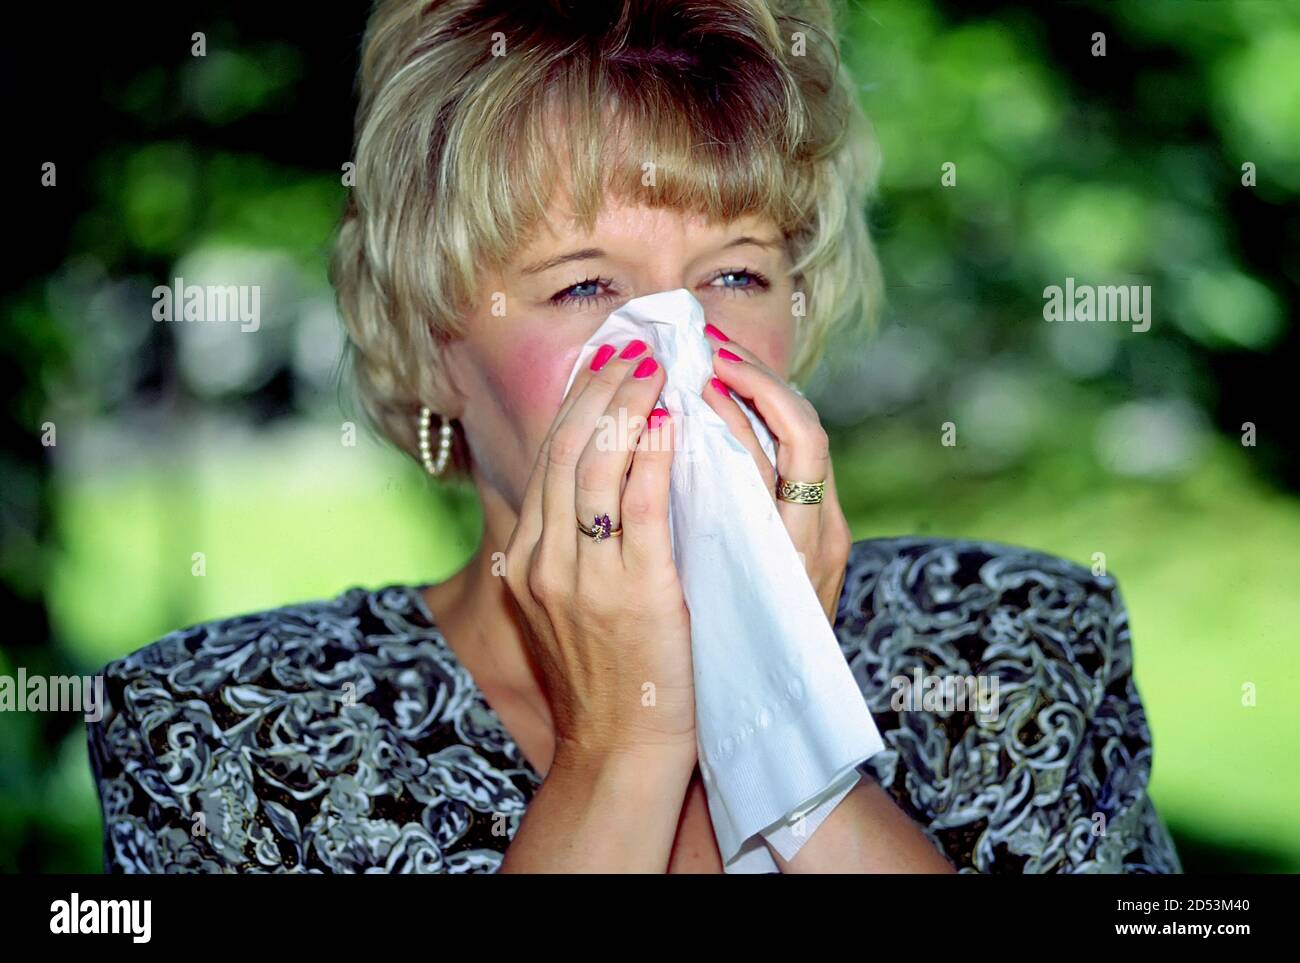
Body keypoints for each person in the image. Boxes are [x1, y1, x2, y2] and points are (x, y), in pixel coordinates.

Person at [86, 0, 1183, 874]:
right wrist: (622, 754)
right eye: (585, 286)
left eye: (735, 275)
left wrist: (775, 712)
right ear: (431, 352)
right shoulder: (221, 736)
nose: (679, 350)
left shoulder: (1019, 647)